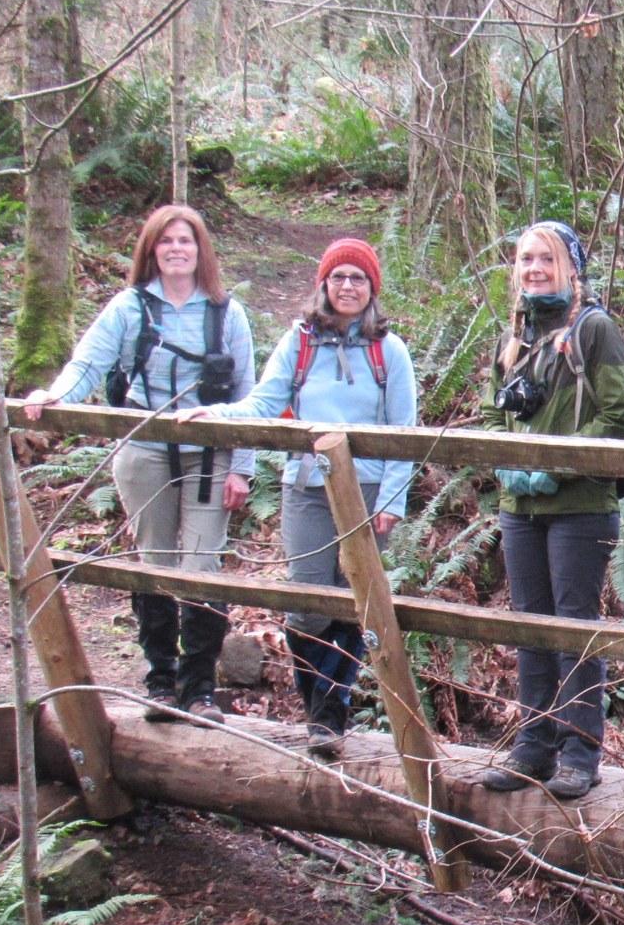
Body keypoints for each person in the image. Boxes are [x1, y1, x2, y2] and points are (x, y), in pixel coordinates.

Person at [178, 238, 416, 757]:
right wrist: (216, 414)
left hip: (368, 490)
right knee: (307, 604)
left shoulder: (388, 349)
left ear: (372, 287)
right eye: (338, 278)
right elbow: (265, 401)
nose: (347, 287)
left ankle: (328, 716)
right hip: (306, 485)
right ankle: (319, 706)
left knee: (355, 602)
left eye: (358, 278)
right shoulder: (301, 341)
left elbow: (405, 429)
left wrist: (393, 499)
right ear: (323, 285)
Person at [25, 204, 257, 724]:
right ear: (151, 250)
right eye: (166, 241)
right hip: (143, 450)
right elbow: (91, 360)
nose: (177, 249)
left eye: (186, 241)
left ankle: (198, 690)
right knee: (154, 565)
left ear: (201, 250)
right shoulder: (130, 307)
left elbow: (249, 394)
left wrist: (242, 465)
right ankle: (159, 683)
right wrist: (56, 394)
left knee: (203, 569)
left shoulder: (227, 312)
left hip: (210, 455)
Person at [480, 221, 624, 801]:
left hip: (580, 506)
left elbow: (620, 415)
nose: (534, 268)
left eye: (546, 258)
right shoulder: (515, 333)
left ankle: (579, 752)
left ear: (571, 267)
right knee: (531, 628)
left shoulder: (593, 329)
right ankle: (532, 747)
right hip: (519, 507)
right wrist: (507, 462)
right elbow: (491, 413)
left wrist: (557, 465)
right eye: (525, 259)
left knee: (573, 628)